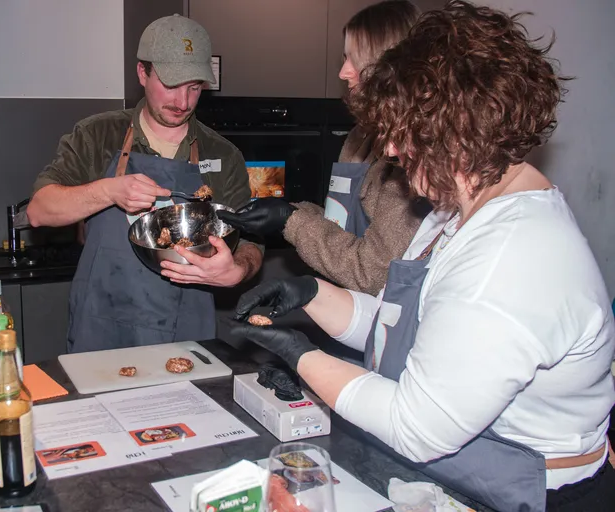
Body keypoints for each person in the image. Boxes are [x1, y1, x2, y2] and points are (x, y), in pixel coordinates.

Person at [231, 2, 615, 511]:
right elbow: (404, 328)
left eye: (401, 129)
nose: (389, 147)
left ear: (455, 131)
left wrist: (303, 356)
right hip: (464, 476)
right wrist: (314, 295)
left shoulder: (512, 258)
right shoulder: (454, 211)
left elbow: (416, 427)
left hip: (528, 494)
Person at [27, 15, 263, 353]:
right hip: (103, 326)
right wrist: (109, 190)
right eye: (170, 85)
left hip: (187, 333)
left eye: (194, 87)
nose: (182, 102)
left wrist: (237, 270)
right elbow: (39, 211)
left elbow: (252, 240)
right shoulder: (97, 135)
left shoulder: (222, 154)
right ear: (142, 73)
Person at [217, 0, 424, 295]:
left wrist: (290, 220)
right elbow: (339, 223)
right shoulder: (359, 138)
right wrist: (285, 211)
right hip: (342, 305)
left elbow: (372, 273)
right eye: (344, 58)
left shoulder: (409, 159)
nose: (343, 72)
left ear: (389, 67)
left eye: (354, 59)